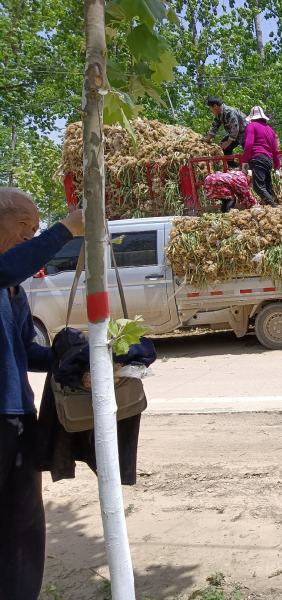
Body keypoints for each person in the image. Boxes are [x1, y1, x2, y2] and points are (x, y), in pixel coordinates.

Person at [0, 188, 84, 600]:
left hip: (17, 419)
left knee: (24, 525)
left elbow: (27, 351)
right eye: (24, 228)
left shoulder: (14, 291)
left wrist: (68, 359)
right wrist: (65, 229)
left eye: (37, 231)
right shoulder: (6, 275)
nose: (31, 238)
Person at [241, 106, 281, 207]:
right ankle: (273, 209)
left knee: (258, 187)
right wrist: (277, 167)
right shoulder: (270, 130)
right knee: (267, 187)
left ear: (252, 118)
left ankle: (274, 207)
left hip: (257, 158)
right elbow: (276, 150)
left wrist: (244, 161)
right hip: (268, 160)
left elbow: (249, 144)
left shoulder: (251, 126)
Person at [203, 97, 247, 164]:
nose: (211, 111)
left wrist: (228, 142)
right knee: (223, 147)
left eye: (210, 108)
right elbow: (214, 127)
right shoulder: (219, 115)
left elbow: (235, 128)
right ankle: (231, 165)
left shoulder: (229, 112)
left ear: (215, 106)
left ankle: (250, 168)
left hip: (246, 134)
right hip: (236, 135)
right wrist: (207, 139)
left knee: (248, 151)